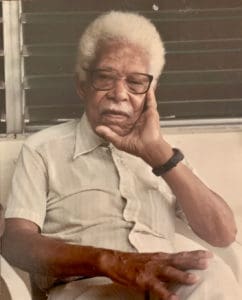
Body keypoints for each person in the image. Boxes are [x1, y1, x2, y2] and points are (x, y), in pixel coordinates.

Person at [2, 11, 241, 300]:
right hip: (88, 290)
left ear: (150, 93)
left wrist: (160, 155)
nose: (119, 94)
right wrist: (110, 262)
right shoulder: (43, 149)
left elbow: (223, 234)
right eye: (105, 78)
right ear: (82, 85)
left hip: (163, 290)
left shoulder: (163, 153)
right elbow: (16, 242)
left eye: (136, 82)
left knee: (213, 273)